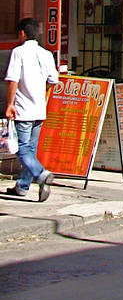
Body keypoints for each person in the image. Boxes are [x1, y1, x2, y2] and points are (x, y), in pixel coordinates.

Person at [4, 17, 58, 201]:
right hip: (38, 110)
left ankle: (41, 173)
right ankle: (22, 186)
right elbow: (53, 81)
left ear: (22, 33)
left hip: (22, 110)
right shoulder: (46, 54)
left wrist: (10, 104)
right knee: (31, 149)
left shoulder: (18, 52)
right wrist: (42, 97)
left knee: (21, 148)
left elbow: (13, 80)